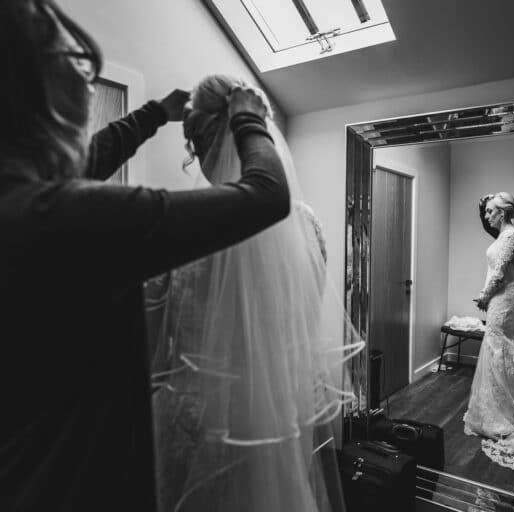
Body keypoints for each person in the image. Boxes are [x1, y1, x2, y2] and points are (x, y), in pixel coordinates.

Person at [0, 2, 290, 510]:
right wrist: (250, 118)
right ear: (35, 100)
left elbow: (87, 164)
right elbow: (266, 193)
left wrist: (155, 113)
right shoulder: (69, 218)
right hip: (75, 483)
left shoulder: (25, 204)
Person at [151, 75, 360, 512]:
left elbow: (157, 341)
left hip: (201, 418)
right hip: (275, 407)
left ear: (201, 142)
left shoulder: (187, 224)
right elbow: (307, 310)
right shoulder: (305, 223)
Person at [464, 192, 514, 470]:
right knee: (501, 347)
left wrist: (484, 296)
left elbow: (499, 273)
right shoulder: (504, 236)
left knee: (499, 347)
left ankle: (504, 413)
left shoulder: (511, 237)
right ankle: (504, 407)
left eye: (490, 211)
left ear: (503, 213)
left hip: (505, 299)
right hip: (503, 298)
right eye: (487, 211)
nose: (486, 216)